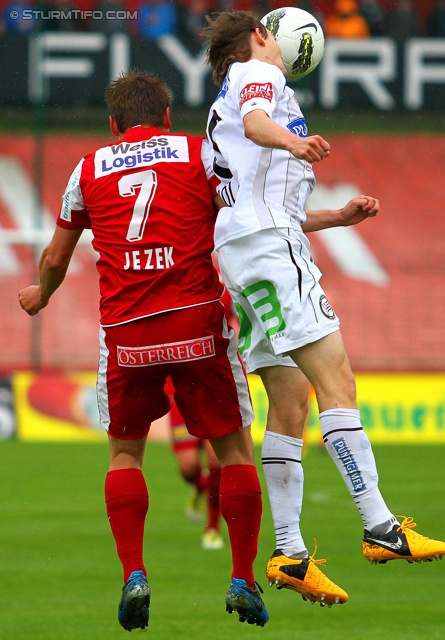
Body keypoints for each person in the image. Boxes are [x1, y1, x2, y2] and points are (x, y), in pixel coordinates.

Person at [201, 10, 445, 608]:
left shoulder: (223, 103)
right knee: (337, 379)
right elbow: (263, 124)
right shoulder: (255, 72)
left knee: (289, 401)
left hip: (243, 250)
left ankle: (288, 553)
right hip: (269, 247)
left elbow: (256, 188)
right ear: (263, 35)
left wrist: (335, 219)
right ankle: (381, 527)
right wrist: (297, 141)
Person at [18, 70, 269, 630]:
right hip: (198, 326)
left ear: (113, 124)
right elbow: (244, 218)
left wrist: (41, 295)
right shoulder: (200, 154)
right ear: (167, 117)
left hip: (128, 337)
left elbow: (56, 259)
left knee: (126, 456)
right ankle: (242, 579)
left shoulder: (87, 169)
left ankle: (134, 572)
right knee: (233, 453)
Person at [166, 377, 224, 550]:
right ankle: (200, 486)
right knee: (188, 469)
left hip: (212, 390)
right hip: (179, 393)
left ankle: (213, 527)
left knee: (216, 459)